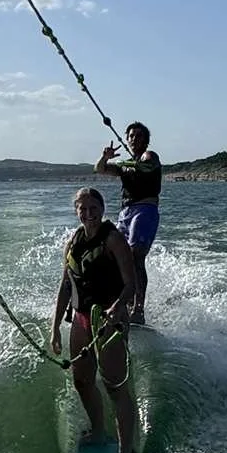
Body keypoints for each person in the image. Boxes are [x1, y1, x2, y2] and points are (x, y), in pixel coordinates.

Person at [50, 187, 139, 453]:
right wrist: (55, 329)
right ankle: (99, 430)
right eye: (82, 208)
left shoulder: (113, 239)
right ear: (76, 211)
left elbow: (131, 284)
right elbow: (65, 286)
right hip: (81, 320)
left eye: (93, 207)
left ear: (102, 208)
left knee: (115, 388)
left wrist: (117, 306)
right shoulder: (73, 242)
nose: (88, 213)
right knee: (82, 381)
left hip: (110, 321)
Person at [95, 121, 161, 325]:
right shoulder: (125, 166)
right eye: (131, 136)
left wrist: (127, 164)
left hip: (145, 210)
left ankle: (139, 309)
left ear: (146, 140)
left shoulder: (149, 156)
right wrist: (105, 157)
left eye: (139, 136)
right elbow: (99, 169)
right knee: (117, 257)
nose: (134, 139)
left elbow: (148, 165)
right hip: (125, 212)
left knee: (135, 255)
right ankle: (122, 303)